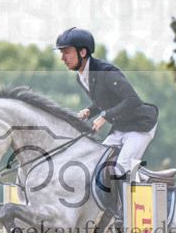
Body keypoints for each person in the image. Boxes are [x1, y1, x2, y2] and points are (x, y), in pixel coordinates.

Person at [56, 27, 159, 185]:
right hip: (121, 127)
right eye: (61, 53)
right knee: (96, 164)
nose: (62, 57)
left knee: (119, 172)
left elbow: (132, 100)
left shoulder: (106, 71)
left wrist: (104, 116)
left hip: (139, 126)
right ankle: (138, 176)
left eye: (67, 52)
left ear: (82, 52)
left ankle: (125, 203)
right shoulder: (81, 76)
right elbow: (106, 99)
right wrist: (90, 110)